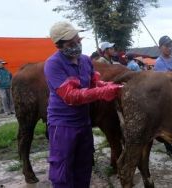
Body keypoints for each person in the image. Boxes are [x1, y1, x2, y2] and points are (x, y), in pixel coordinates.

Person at [44, 21, 123, 188]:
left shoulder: (86, 61)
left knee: (84, 165)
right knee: (62, 169)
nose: (77, 45)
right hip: (63, 124)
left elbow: (94, 82)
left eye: (78, 40)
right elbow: (70, 96)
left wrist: (108, 86)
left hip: (83, 122)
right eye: (71, 43)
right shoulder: (53, 64)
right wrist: (101, 93)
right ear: (59, 45)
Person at [154, 35, 172, 158]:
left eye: (170, 45)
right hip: (165, 96)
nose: (169, 48)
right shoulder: (158, 62)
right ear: (160, 47)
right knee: (165, 123)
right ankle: (169, 148)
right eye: (166, 46)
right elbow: (167, 79)